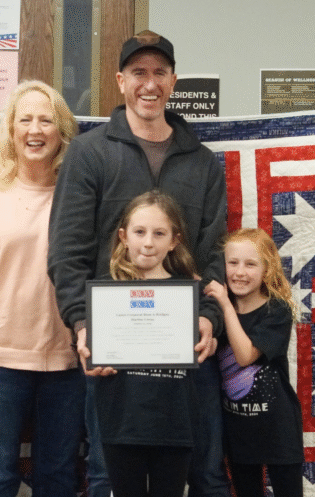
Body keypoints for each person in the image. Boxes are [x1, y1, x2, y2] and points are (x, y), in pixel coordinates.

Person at [47, 30, 229, 497]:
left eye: (160, 73)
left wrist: (208, 317)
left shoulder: (203, 163)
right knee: (109, 475)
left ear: (174, 81)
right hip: (112, 345)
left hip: (184, 343)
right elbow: (67, 251)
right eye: (138, 73)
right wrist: (83, 325)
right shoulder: (89, 153)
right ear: (120, 81)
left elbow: (212, 251)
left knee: (201, 473)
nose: (150, 84)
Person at [0, 80, 83, 497]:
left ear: (62, 131)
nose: (35, 129)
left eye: (46, 120)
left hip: (66, 364)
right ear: (11, 128)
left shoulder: (78, 192)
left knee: (59, 477)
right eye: (25, 119)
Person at [76, 190, 211, 497]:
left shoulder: (187, 293)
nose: (148, 242)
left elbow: (201, 343)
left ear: (174, 241)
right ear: (123, 236)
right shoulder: (106, 293)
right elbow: (91, 354)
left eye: (159, 233)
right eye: (139, 232)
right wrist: (94, 360)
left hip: (175, 425)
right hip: (121, 425)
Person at [205, 228, 303, 497]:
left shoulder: (277, 310)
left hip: (278, 428)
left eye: (250, 264)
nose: (239, 272)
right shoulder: (216, 311)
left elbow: (245, 355)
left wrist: (225, 306)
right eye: (233, 263)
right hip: (238, 430)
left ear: (266, 270)